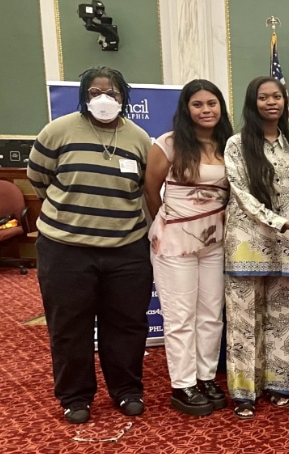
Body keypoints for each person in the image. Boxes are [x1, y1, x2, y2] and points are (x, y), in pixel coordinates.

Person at [27, 66, 153, 425]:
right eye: (95, 92)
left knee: (127, 325)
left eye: (111, 93)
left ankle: (127, 390)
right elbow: (39, 178)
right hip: (66, 248)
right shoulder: (58, 131)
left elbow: (145, 187)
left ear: (123, 97)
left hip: (126, 248)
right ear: (84, 96)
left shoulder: (139, 138)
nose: (104, 99)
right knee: (70, 326)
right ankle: (75, 396)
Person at [223, 76, 289, 420]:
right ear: (253, 102)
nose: (271, 102)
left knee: (279, 319)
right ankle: (244, 391)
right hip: (246, 245)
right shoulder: (236, 144)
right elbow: (241, 195)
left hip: (286, 248)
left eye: (277, 96)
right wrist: (284, 224)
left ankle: (277, 384)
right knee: (244, 322)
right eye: (263, 97)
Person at [144, 79, 232, 416]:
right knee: (181, 317)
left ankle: (206, 376)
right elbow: (151, 190)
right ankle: (183, 385)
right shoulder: (167, 144)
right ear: (186, 108)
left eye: (212, 103)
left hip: (215, 242)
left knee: (211, 315)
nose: (206, 110)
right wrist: (170, 225)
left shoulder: (229, 144)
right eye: (198, 104)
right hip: (175, 242)